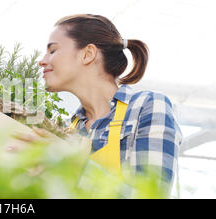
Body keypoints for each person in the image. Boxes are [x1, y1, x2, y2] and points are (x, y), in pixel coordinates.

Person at [30, 14, 182, 195]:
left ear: (88, 54)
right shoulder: (68, 129)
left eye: (53, 50)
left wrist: (73, 163)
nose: (42, 60)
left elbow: (151, 195)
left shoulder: (147, 107)